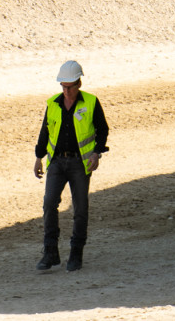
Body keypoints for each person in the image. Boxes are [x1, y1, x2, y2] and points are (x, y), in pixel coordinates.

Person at [33, 60, 109, 272]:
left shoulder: (91, 103)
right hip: (57, 162)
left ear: (79, 84)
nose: (66, 91)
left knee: (80, 208)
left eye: (70, 87)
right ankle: (50, 252)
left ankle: (76, 253)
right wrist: (39, 157)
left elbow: (102, 130)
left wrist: (96, 153)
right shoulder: (53, 104)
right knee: (49, 204)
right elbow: (45, 132)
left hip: (80, 163)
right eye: (63, 87)